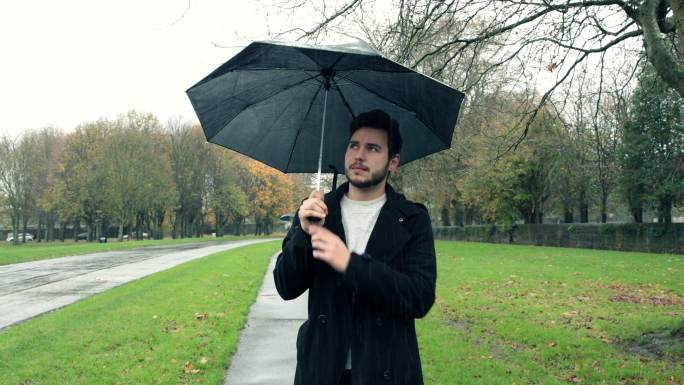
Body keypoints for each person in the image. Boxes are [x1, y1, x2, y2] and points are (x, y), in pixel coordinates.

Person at [273, 109, 436, 385]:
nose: (359, 155)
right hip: (322, 370)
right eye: (354, 146)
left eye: (373, 148)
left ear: (393, 161)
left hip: (386, 370)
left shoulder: (411, 219)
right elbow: (286, 286)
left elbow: (419, 297)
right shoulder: (317, 209)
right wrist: (303, 231)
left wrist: (350, 264)